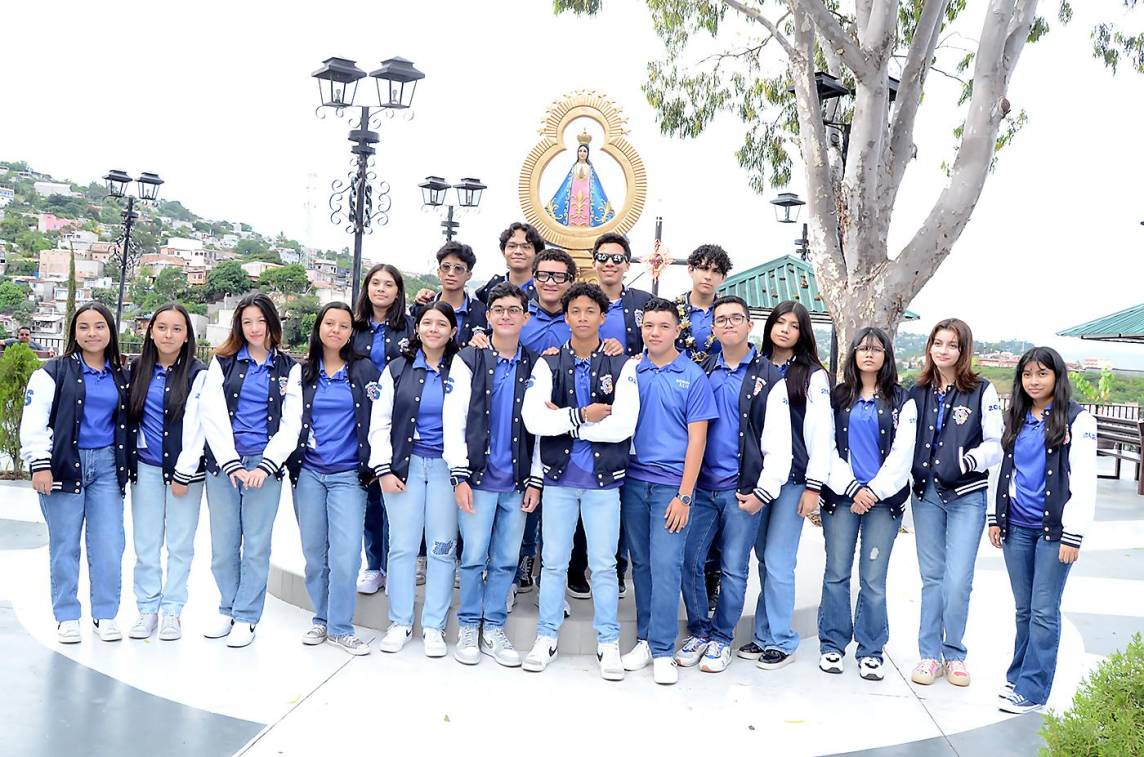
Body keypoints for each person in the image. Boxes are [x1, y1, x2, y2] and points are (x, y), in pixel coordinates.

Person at [520, 283, 640, 680]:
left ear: (602, 317)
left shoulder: (622, 365)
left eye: (591, 310)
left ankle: (608, 642)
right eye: (576, 311)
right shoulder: (548, 363)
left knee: (605, 566)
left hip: (604, 483)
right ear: (566, 317)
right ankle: (546, 635)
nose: (583, 317)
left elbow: (623, 426)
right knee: (553, 562)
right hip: (558, 479)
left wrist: (567, 421)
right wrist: (585, 415)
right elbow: (534, 420)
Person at [675, 295, 791, 674]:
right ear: (712, 328)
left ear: (748, 325)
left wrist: (763, 492)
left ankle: (722, 639)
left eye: (735, 318)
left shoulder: (769, 378)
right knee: (690, 561)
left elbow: (779, 442)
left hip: (741, 491)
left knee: (734, 569)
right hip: (702, 488)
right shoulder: (702, 369)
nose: (727, 325)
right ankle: (700, 631)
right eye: (720, 319)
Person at [990, 347, 1095, 714]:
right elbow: (1003, 471)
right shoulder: (1016, 416)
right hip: (1016, 526)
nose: (1034, 381)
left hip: (1054, 531)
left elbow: (1084, 479)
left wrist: (1074, 532)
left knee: (1044, 611)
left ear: (1057, 376)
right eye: (1028, 374)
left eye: (1042, 374)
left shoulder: (1077, 419)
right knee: (1024, 609)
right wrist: (995, 516)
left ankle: (1033, 690)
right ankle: (1019, 674)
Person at [620, 297, 718, 685]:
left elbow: (698, 442)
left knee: (666, 566)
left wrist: (684, 495)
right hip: (632, 482)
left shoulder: (692, 376)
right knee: (640, 565)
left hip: (670, 488)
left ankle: (662, 649)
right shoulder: (632, 371)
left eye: (663, 326)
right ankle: (644, 639)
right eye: (649, 326)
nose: (655, 333)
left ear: (677, 330)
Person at [443, 283, 542, 667]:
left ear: (525, 317)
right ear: (488, 316)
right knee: (472, 557)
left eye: (513, 310)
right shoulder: (469, 359)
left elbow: (540, 430)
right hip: (478, 480)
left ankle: (494, 626)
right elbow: (454, 420)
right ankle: (469, 625)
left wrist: (535, 478)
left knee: (505, 559)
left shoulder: (536, 364)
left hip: (516, 482)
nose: (505, 315)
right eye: (498, 309)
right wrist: (459, 476)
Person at [21, 303, 129, 643]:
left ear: (110, 331)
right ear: (74, 333)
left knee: (109, 544)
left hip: (108, 466)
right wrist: (40, 464)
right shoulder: (52, 372)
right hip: (64, 465)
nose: (92, 333)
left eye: (99, 326)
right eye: (84, 327)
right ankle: (67, 615)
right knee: (65, 545)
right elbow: (34, 422)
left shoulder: (120, 372)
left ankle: (106, 614)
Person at [200, 292, 302, 648]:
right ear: (239, 326)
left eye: (261, 321)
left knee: (256, 545)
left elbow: (292, 423)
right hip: (224, 466)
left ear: (271, 323)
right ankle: (226, 607)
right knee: (224, 545)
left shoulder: (290, 368)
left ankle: (246, 616)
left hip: (264, 466)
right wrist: (230, 462)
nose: (255, 328)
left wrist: (267, 465)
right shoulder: (223, 362)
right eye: (247, 322)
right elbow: (210, 415)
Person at [739, 300, 835, 670]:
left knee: (779, 560)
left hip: (794, 480)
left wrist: (814, 486)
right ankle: (764, 635)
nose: (783, 330)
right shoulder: (757, 366)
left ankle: (781, 638)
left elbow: (820, 433)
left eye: (793, 325)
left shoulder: (812, 375)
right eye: (779, 323)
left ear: (803, 332)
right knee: (764, 558)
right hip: (757, 477)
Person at [908, 318, 1003, 687]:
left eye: (952, 344)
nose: (943, 350)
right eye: (938, 342)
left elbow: (995, 444)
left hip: (966, 496)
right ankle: (929, 654)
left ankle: (955, 653)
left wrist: (967, 461)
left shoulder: (982, 390)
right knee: (932, 578)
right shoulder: (916, 391)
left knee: (958, 579)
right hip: (926, 494)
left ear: (963, 351)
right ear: (930, 346)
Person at [818, 327, 917, 681]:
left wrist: (872, 491)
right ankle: (831, 645)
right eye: (863, 349)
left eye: (877, 349)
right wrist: (851, 487)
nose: (869, 355)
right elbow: (825, 446)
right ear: (853, 355)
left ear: (887, 356)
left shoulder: (902, 401)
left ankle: (871, 649)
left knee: (873, 579)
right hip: (841, 496)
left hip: (883, 500)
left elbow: (902, 454)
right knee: (836, 573)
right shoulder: (838, 397)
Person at [287, 302, 380, 656]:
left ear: (350, 332)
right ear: (319, 327)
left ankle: (342, 626)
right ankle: (321, 619)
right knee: (314, 553)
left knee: (345, 555)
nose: (336, 330)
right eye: (330, 323)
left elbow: (378, 417)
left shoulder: (364, 371)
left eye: (344, 325)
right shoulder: (303, 372)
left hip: (348, 476)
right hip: (309, 472)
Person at [369, 301, 460, 657]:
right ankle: (400, 621)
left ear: (452, 331)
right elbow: (380, 423)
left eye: (442, 323)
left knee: (441, 547)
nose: (434, 329)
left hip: (446, 469)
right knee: (403, 546)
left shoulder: (462, 368)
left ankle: (434, 625)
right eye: (427, 322)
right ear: (417, 328)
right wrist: (384, 469)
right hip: (404, 467)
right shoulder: (397, 368)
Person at [124, 304, 208, 642]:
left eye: (176, 328)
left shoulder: (198, 373)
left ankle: (173, 609)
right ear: (150, 331)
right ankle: (147, 608)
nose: (168, 335)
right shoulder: (136, 369)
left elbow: (201, 427)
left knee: (180, 544)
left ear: (187, 335)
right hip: (145, 467)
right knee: (146, 543)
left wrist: (184, 472)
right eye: (162, 327)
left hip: (185, 473)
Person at [352, 263, 413, 596]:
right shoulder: (355, 326)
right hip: (359, 420)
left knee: (395, 495)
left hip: (397, 423)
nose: (381, 289)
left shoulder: (410, 328)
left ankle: (393, 566)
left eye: (388, 284)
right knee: (370, 497)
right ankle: (373, 565)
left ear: (398, 291)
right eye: (375, 283)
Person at [411, 241, 488, 347]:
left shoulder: (481, 312)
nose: (451, 273)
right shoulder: (421, 307)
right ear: (439, 272)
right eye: (446, 267)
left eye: (458, 268)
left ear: (469, 275)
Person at [592, 233, 652, 357]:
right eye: (602, 257)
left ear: (627, 265)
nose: (609, 263)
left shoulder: (646, 302)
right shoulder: (579, 300)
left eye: (617, 258)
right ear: (594, 264)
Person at [674, 245, 733, 363]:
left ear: (723, 277)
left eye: (716, 271)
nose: (708, 277)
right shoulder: (672, 310)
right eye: (704, 268)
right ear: (690, 270)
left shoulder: (730, 313)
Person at [474, 222, 544, 305]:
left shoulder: (546, 290)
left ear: (537, 253)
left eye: (526, 247)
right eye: (512, 246)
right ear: (503, 252)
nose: (518, 251)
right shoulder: (484, 294)